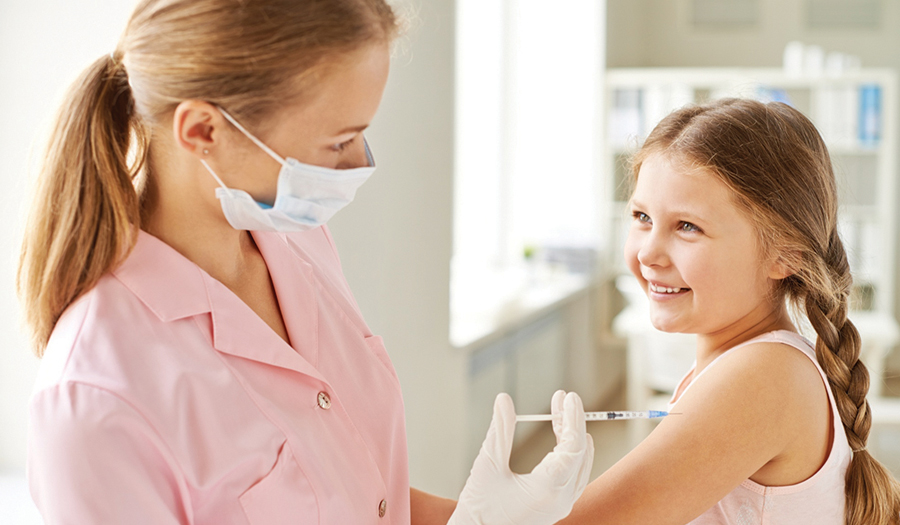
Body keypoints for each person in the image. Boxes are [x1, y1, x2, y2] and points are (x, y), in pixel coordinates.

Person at [18, 1, 593, 523]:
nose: (359, 165)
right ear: (203, 130)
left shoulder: (300, 246)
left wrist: (478, 519)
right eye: (338, 142)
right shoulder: (97, 399)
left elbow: (348, 496)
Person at [556, 98, 900, 524]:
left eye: (688, 226)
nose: (647, 253)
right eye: (642, 216)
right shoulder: (741, 364)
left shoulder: (766, 376)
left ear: (785, 253)